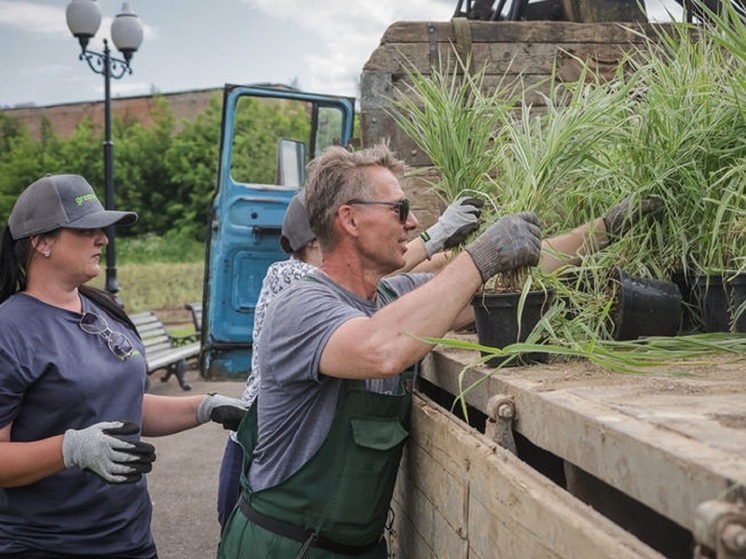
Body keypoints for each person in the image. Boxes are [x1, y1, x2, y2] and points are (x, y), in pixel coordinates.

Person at [216, 143, 542, 558]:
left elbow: (470, 295)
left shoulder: (388, 295)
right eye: (399, 209)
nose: (413, 222)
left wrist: (600, 232)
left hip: (357, 547)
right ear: (349, 219)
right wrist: (482, 255)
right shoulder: (298, 303)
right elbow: (383, 348)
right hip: (286, 547)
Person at [0, 174, 248, 559]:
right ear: (41, 241)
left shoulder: (99, 308)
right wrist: (71, 449)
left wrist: (204, 406)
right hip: (48, 545)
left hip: (129, 538)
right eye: (86, 229)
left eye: (103, 228)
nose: (103, 238)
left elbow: (120, 405)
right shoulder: (9, 329)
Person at [215, 189, 485, 528]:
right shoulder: (288, 279)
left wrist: (459, 257)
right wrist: (435, 237)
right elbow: (377, 279)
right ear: (316, 242)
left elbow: (395, 282)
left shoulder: (346, 287)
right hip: (263, 455)